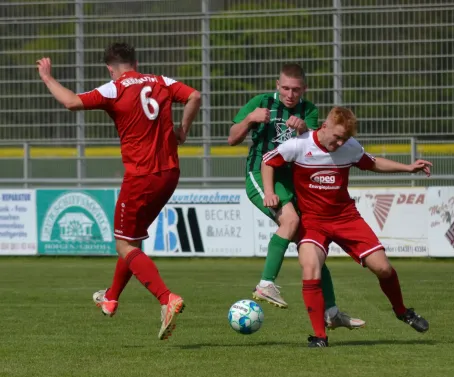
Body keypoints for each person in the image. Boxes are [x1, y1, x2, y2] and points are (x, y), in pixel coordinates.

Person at [37, 42, 201, 340]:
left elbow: (72, 102)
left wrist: (48, 78)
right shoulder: (160, 81)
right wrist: (183, 130)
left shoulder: (115, 88)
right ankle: (111, 297)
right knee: (132, 239)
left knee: (124, 245)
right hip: (170, 173)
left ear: (110, 68)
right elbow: (194, 96)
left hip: (141, 177)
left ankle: (167, 299)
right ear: (135, 62)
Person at [262, 106, 430, 347]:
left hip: (346, 218)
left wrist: (408, 168)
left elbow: (372, 162)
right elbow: (268, 161)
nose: (340, 143)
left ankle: (403, 311)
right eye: (337, 136)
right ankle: (319, 336)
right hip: (313, 221)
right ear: (325, 126)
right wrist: (269, 191)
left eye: (345, 138)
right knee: (310, 268)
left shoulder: (349, 147)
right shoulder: (299, 145)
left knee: (383, 268)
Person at [229, 63, 365, 329]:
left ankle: (332, 311)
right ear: (277, 85)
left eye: (296, 89)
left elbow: (315, 144)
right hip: (261, 174)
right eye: (286, 88)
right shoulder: (261, 102)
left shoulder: (310, 111)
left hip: (293, 183)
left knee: (311, 247)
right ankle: (266, 284)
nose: (290, 94)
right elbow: (232, 138)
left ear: (304, 89)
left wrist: (303, 128)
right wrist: (249, 119)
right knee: (290, 221)